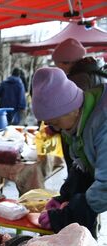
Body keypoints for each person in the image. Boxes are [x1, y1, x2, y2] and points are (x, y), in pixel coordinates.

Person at [31, 67, 107, 238]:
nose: (56, 129)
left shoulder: (103, 123)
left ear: (73, 108)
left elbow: (105, 187)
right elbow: (82, 165)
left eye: (56, 122)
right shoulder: (77, 121)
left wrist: (70, 214)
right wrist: (64, 196)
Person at [51, 38, 107, 169]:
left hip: (86, 140)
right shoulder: (99, 71)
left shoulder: (77, 79)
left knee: (86, 176)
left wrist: (55, 125)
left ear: (66, 62)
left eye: (57, 63)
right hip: (97, 138)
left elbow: (69, 114)